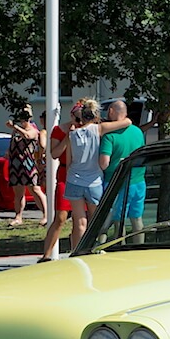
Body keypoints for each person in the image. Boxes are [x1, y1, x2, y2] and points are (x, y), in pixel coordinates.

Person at [51, 98, 131, 251]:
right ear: (95, 116)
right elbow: (126, 122)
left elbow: (69, 161)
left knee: (79, 221)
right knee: (95, 220)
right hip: (93, 180)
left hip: (74, 179)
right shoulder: (99, 129)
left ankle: (77, 251)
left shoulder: (72, 134)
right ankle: (93, 249)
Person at [100, 100, 147, 236]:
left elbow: (104, 163)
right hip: (138, 181)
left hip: (117, 182)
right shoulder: (138, 132)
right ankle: (139, 248)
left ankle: (119, 248)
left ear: (111, 111)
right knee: (137, 219)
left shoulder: (109, 136)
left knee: (118, 221)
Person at [39, 110, 74, 262]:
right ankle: (46, 255)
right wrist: (67, 138)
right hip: (65, 175)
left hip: (83, 174)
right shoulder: (59, 130)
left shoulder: (91, 128)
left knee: (83, 219)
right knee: (61, 216)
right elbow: (54, 153)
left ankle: (77, 251)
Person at [5, 106, 48, 227]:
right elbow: (14, 142)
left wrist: (15, 127)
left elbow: (28, 136)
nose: (22, 122)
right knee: (18, 192)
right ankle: (18, 217)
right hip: (16, 165)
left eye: (24, 119)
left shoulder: (33, 130)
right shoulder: (16, 131)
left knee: (34, 189)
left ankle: (46, 214)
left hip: (29, 164)